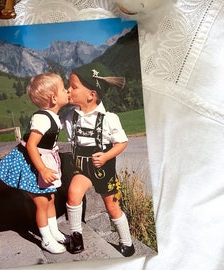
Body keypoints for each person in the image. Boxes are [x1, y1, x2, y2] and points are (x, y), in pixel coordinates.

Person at [62, 65, 135, 257]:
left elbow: (122, 142)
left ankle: (127, 243)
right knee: (73, 193)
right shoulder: (70, 117)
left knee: (112, 206)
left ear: (91, 95)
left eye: (73, 87)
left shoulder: (109, 118)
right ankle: (76, 238)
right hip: (82, 168)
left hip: (104, 169)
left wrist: (106, 156)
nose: (68, 90)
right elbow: (53, 120)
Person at [0, 73, 69, 254]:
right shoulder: (42, 119)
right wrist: (42, 169)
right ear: (53, 98)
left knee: (50, 198)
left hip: (43, 160)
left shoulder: (52, 116)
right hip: (32, 164)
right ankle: (46, 239)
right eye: (63, 89)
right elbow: (32, 145)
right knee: (42, 202)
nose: (67, 91)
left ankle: (53, 231)